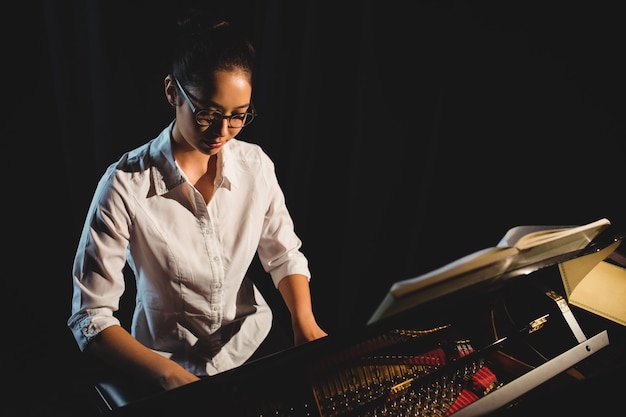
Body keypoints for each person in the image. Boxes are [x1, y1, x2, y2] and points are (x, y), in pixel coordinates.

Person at [67, 9, 327, 394]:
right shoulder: (124, 185)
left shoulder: (255, 165)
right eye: (207, 113)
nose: (223, 131)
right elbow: (90, 316)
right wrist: (172, 378)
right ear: (172, 92)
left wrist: (304, 324)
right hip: (166, 366)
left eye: (239, 116)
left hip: (251, 345)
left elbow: (284, 254)